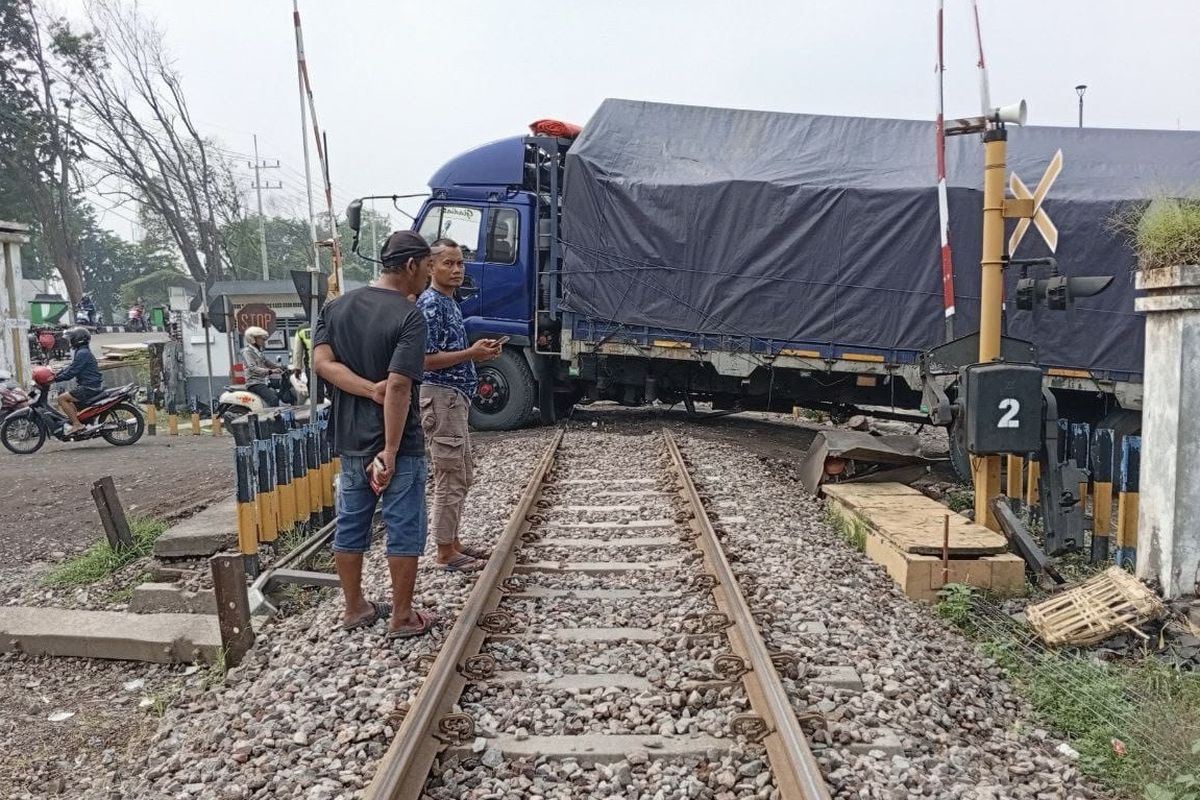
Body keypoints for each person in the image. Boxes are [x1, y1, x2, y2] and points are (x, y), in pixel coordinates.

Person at [313, 230, 435, 639]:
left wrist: (365, 389)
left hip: (349, 439)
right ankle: (401, 617)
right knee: (404, 525)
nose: (430, 275)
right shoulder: (408, 314)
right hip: (397, 440)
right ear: (412, 266)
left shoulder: (337, 307)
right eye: (429, 267)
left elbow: (322, 362)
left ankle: (354, 608)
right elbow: (398, 386)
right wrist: (392, 449)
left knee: (351, 521)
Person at [417, 238, 501, 571]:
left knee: (461, 472)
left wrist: (478, 353)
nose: (456, 269)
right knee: (449, 474)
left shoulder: (450, 302)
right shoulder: (431, 304)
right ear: (430, 267)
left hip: (454, 399)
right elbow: (424, 360)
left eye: (460, 263)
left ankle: (452, 542)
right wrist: (471, 354)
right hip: (441, 397)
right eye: (448, 263)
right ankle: (444, 552)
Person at [55, 327, 104, 434]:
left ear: (78, 339)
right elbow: (71, 367)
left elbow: (72, 371)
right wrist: (56, 373)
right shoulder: (82, 351)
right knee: (69, 397)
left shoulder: (82, 353)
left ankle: (77, 424)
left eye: (71, 338)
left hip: (89, 387)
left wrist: (55, 379)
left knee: (61, 399)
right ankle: (78, 420)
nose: (70, 341)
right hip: (91, 385)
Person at [240, 326, 291, 407]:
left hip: (264, 380)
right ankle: (272, 418)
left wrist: (284, 367)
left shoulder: (258, 351)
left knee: (286, 387)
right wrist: (271, 371)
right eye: (262, 338)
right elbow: (253, 368)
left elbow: (268, 363)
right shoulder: (247, 352)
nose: (264, 341)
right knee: (273, 399)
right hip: (255, 383)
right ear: (253, 339)